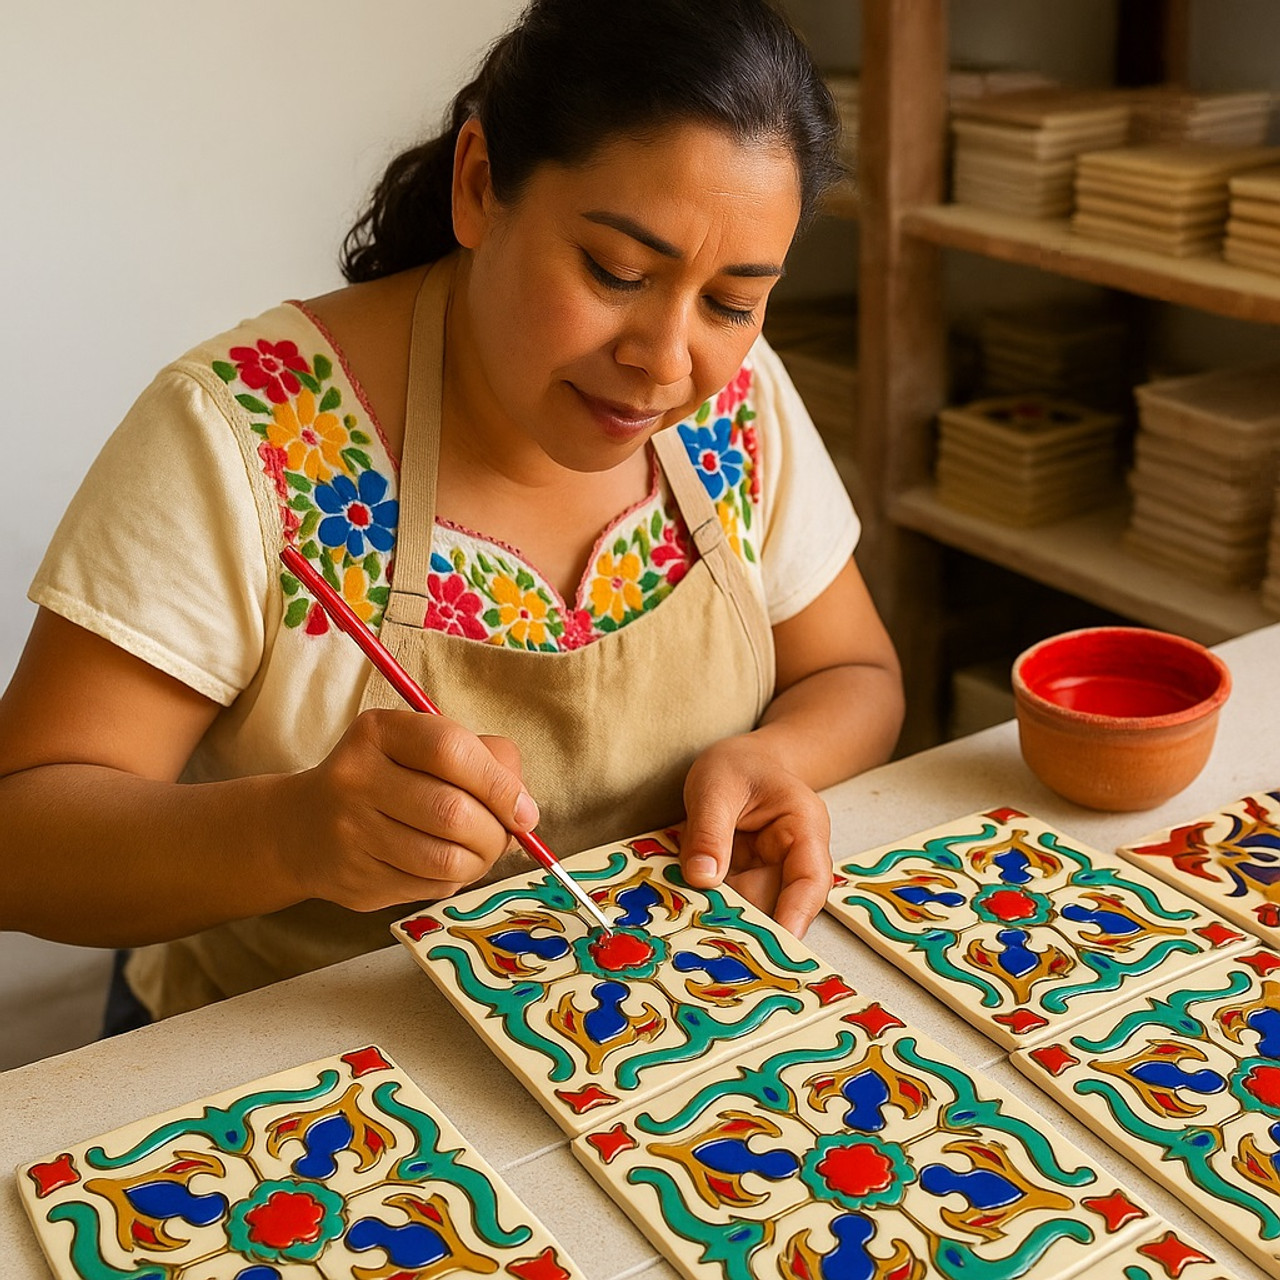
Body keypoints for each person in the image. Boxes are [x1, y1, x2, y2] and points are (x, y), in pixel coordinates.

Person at [0, 0, 903, 1029]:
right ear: (480, 185)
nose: (665, 357)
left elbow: (854, 675)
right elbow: (20, 836)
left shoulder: (731, 406)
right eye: (616, 271)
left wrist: (773, 755)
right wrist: (290, 832)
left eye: (731, 302)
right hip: (284, 1076)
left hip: (636, 1038)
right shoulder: (247, 433)